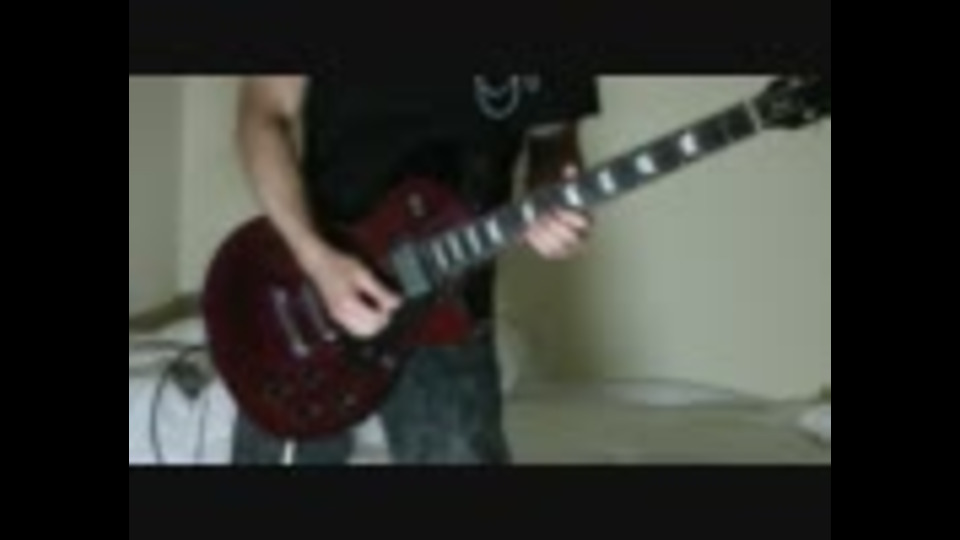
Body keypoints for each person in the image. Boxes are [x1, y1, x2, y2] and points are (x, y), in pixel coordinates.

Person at [232, 73, 601, 464]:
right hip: (314, 292)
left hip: (453, 304)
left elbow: (553, 142)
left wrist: (553, 199)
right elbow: (262, 113)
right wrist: (315, 257)